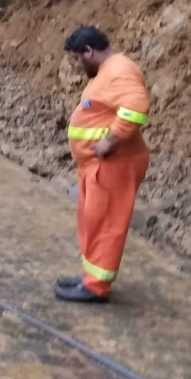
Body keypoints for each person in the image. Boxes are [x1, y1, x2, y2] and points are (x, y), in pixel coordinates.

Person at [56, 26, 150, 303]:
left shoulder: (120, 70)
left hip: (114, 163)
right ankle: (90, 276)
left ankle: (96, 286)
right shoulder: (109, 71)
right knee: (93, 221)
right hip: (97, 166)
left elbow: (136, 108)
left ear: (89, 51)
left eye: (76, 59)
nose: (75, 65)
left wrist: (109, 142)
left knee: (106, 223)